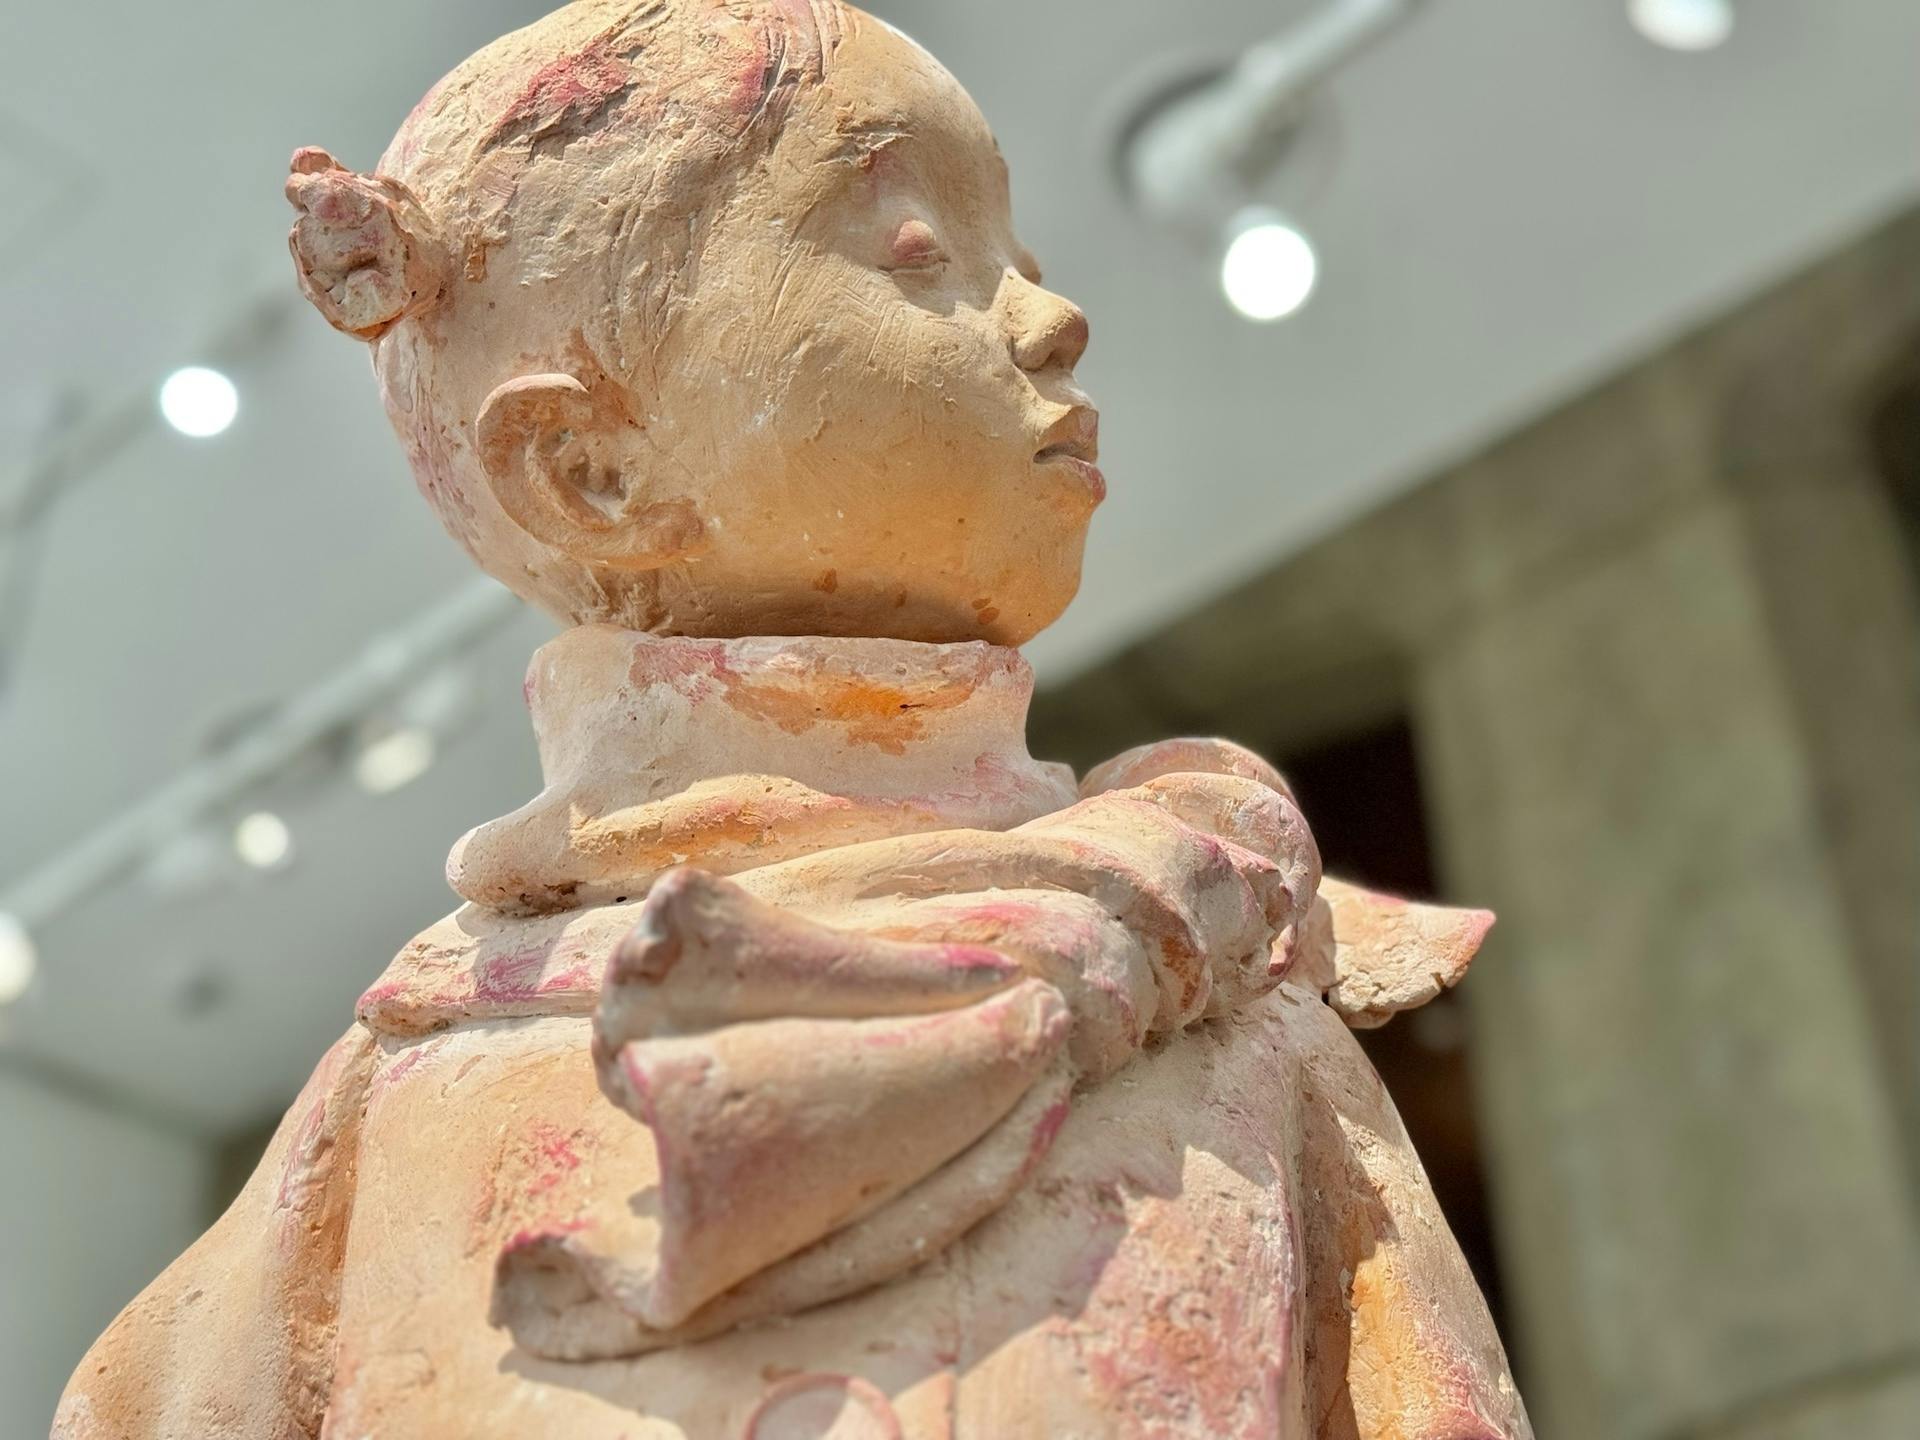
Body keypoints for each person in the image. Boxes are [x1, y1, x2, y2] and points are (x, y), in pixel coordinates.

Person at [56, 3, 1528, 1434]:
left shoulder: (1208, 961)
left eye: (1017, 256)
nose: (1053, 314)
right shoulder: (394, 1116)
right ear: (588, 472)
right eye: (922, 257)